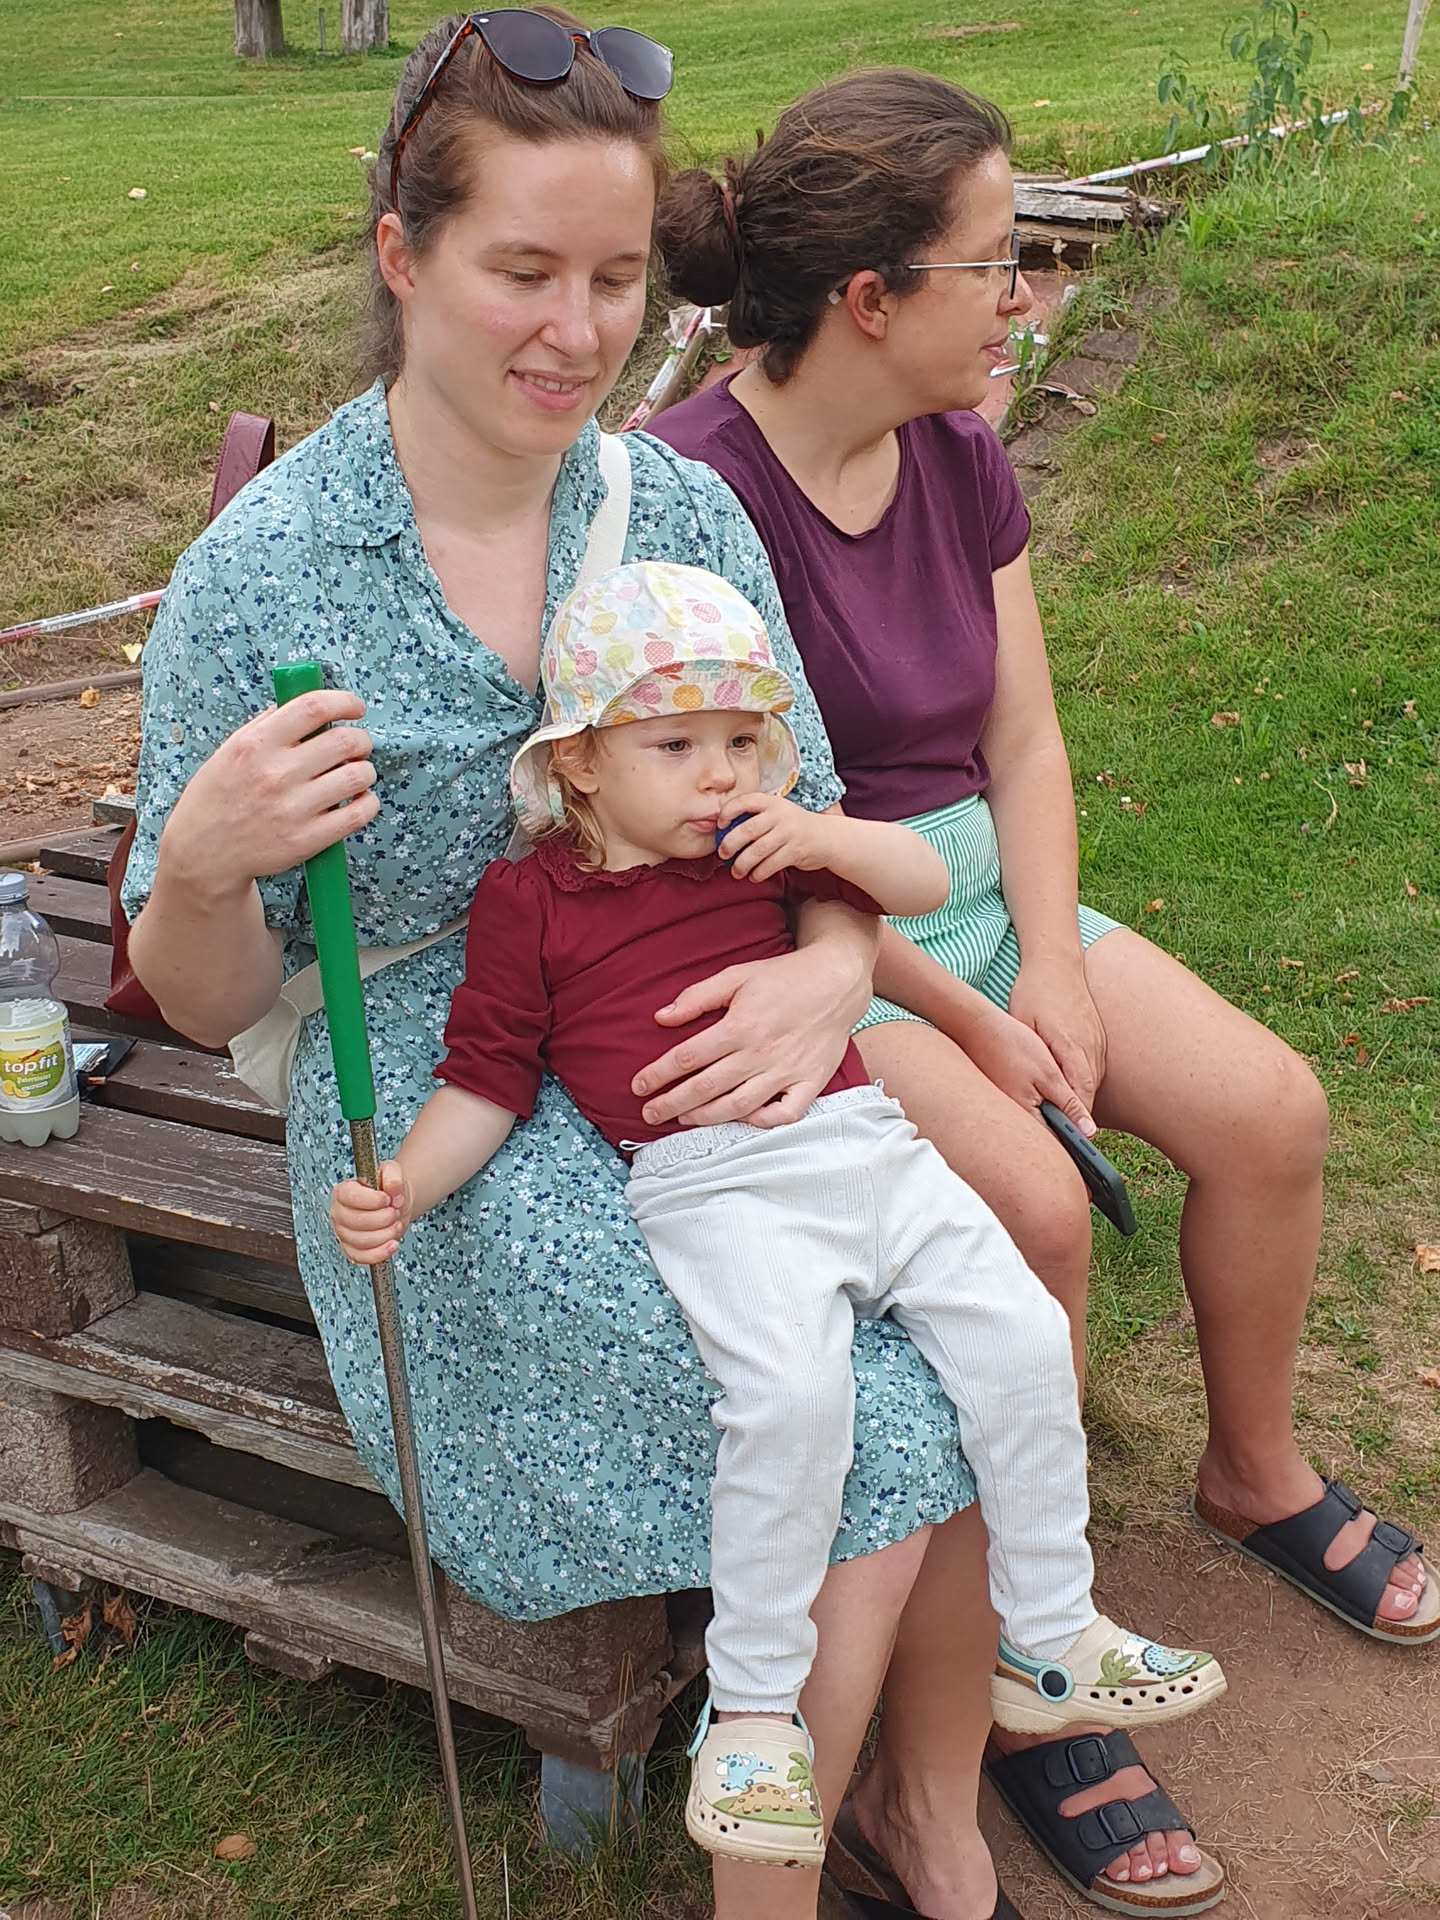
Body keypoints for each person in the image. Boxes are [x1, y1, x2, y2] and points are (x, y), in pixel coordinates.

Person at [122, 15, 1057, 1919]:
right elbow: (209, 1001)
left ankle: (893, 1805)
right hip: (440, 1096)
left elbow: (801, 820)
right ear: (402, 252)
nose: (577, 332)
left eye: (618, 279)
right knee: (884, 1430)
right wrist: (206, 864)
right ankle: (798, 1860)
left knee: (971, 1330)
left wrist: (832, 968)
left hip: (705, 1037)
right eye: (524, 271)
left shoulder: (681, 512)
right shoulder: (267, 575)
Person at [650, 64, 1438, 1914]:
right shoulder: (695, 497)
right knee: (1035, 1216)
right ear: (872, 297)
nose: (1026, 297)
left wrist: (1061, 966)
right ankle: (1026, 1670)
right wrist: (972, 1013)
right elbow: (723, 837)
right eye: (996, 262)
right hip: (825, 942)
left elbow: (1024, 736)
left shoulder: (959, 450)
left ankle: (1253, 1473)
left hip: (993, 895)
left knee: (1271, 1111)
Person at [328, 556, 1224, 1869]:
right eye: (677, 745)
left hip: (868, 1148)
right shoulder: (533, 900)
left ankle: (1051, 1635)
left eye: (742, 741)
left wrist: (825, 838)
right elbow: (487, 1079)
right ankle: (754, 1718)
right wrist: (406, 1181)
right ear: (578, 763)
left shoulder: (768, 850)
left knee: (1024, 1337)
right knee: (792, 1405)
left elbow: (917, 883)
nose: (721, 775)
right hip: (712, 1186)